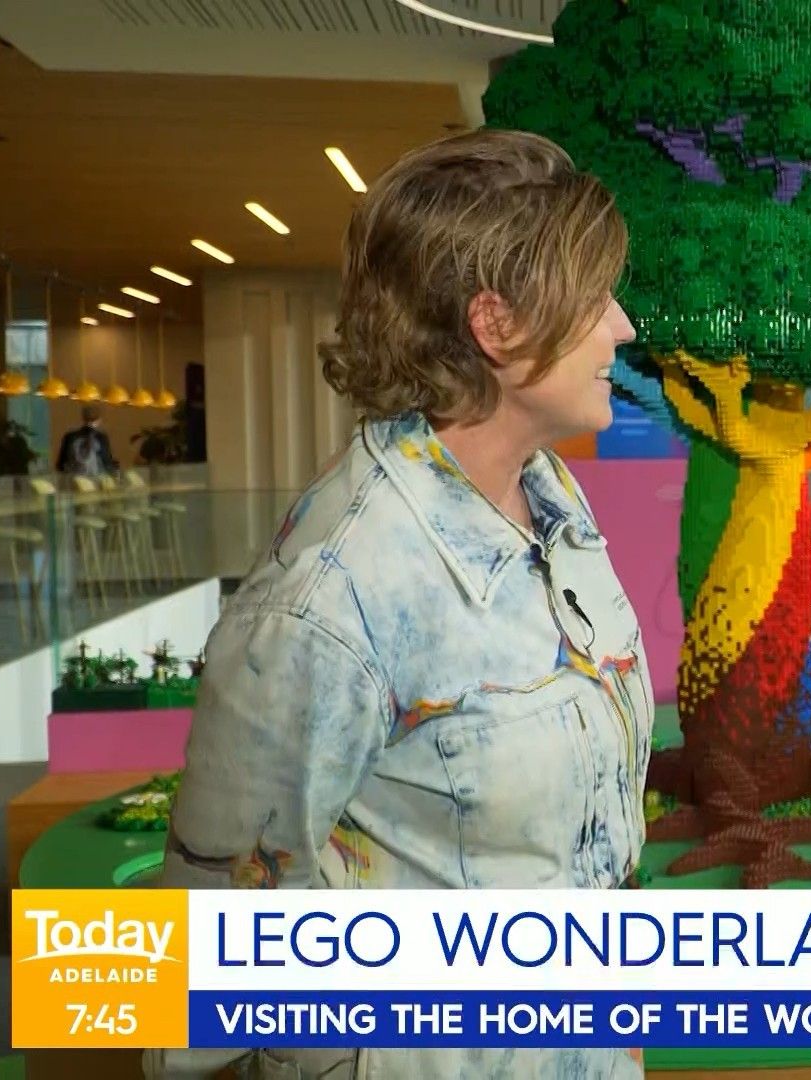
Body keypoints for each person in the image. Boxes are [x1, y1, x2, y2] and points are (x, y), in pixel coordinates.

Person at [147, 130, 650, 1080]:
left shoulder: (552, 500)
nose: (621, 328)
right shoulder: (328, 603)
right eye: (594, 300)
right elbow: (197, 991)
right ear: (496, 326)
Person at [56, 405, 118, 476]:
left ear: (83, 418)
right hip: (95, 478)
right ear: (99, 420)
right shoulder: (101, 438)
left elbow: (60, 464)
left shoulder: (70, 436)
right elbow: (107, 462)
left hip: (74, 478)